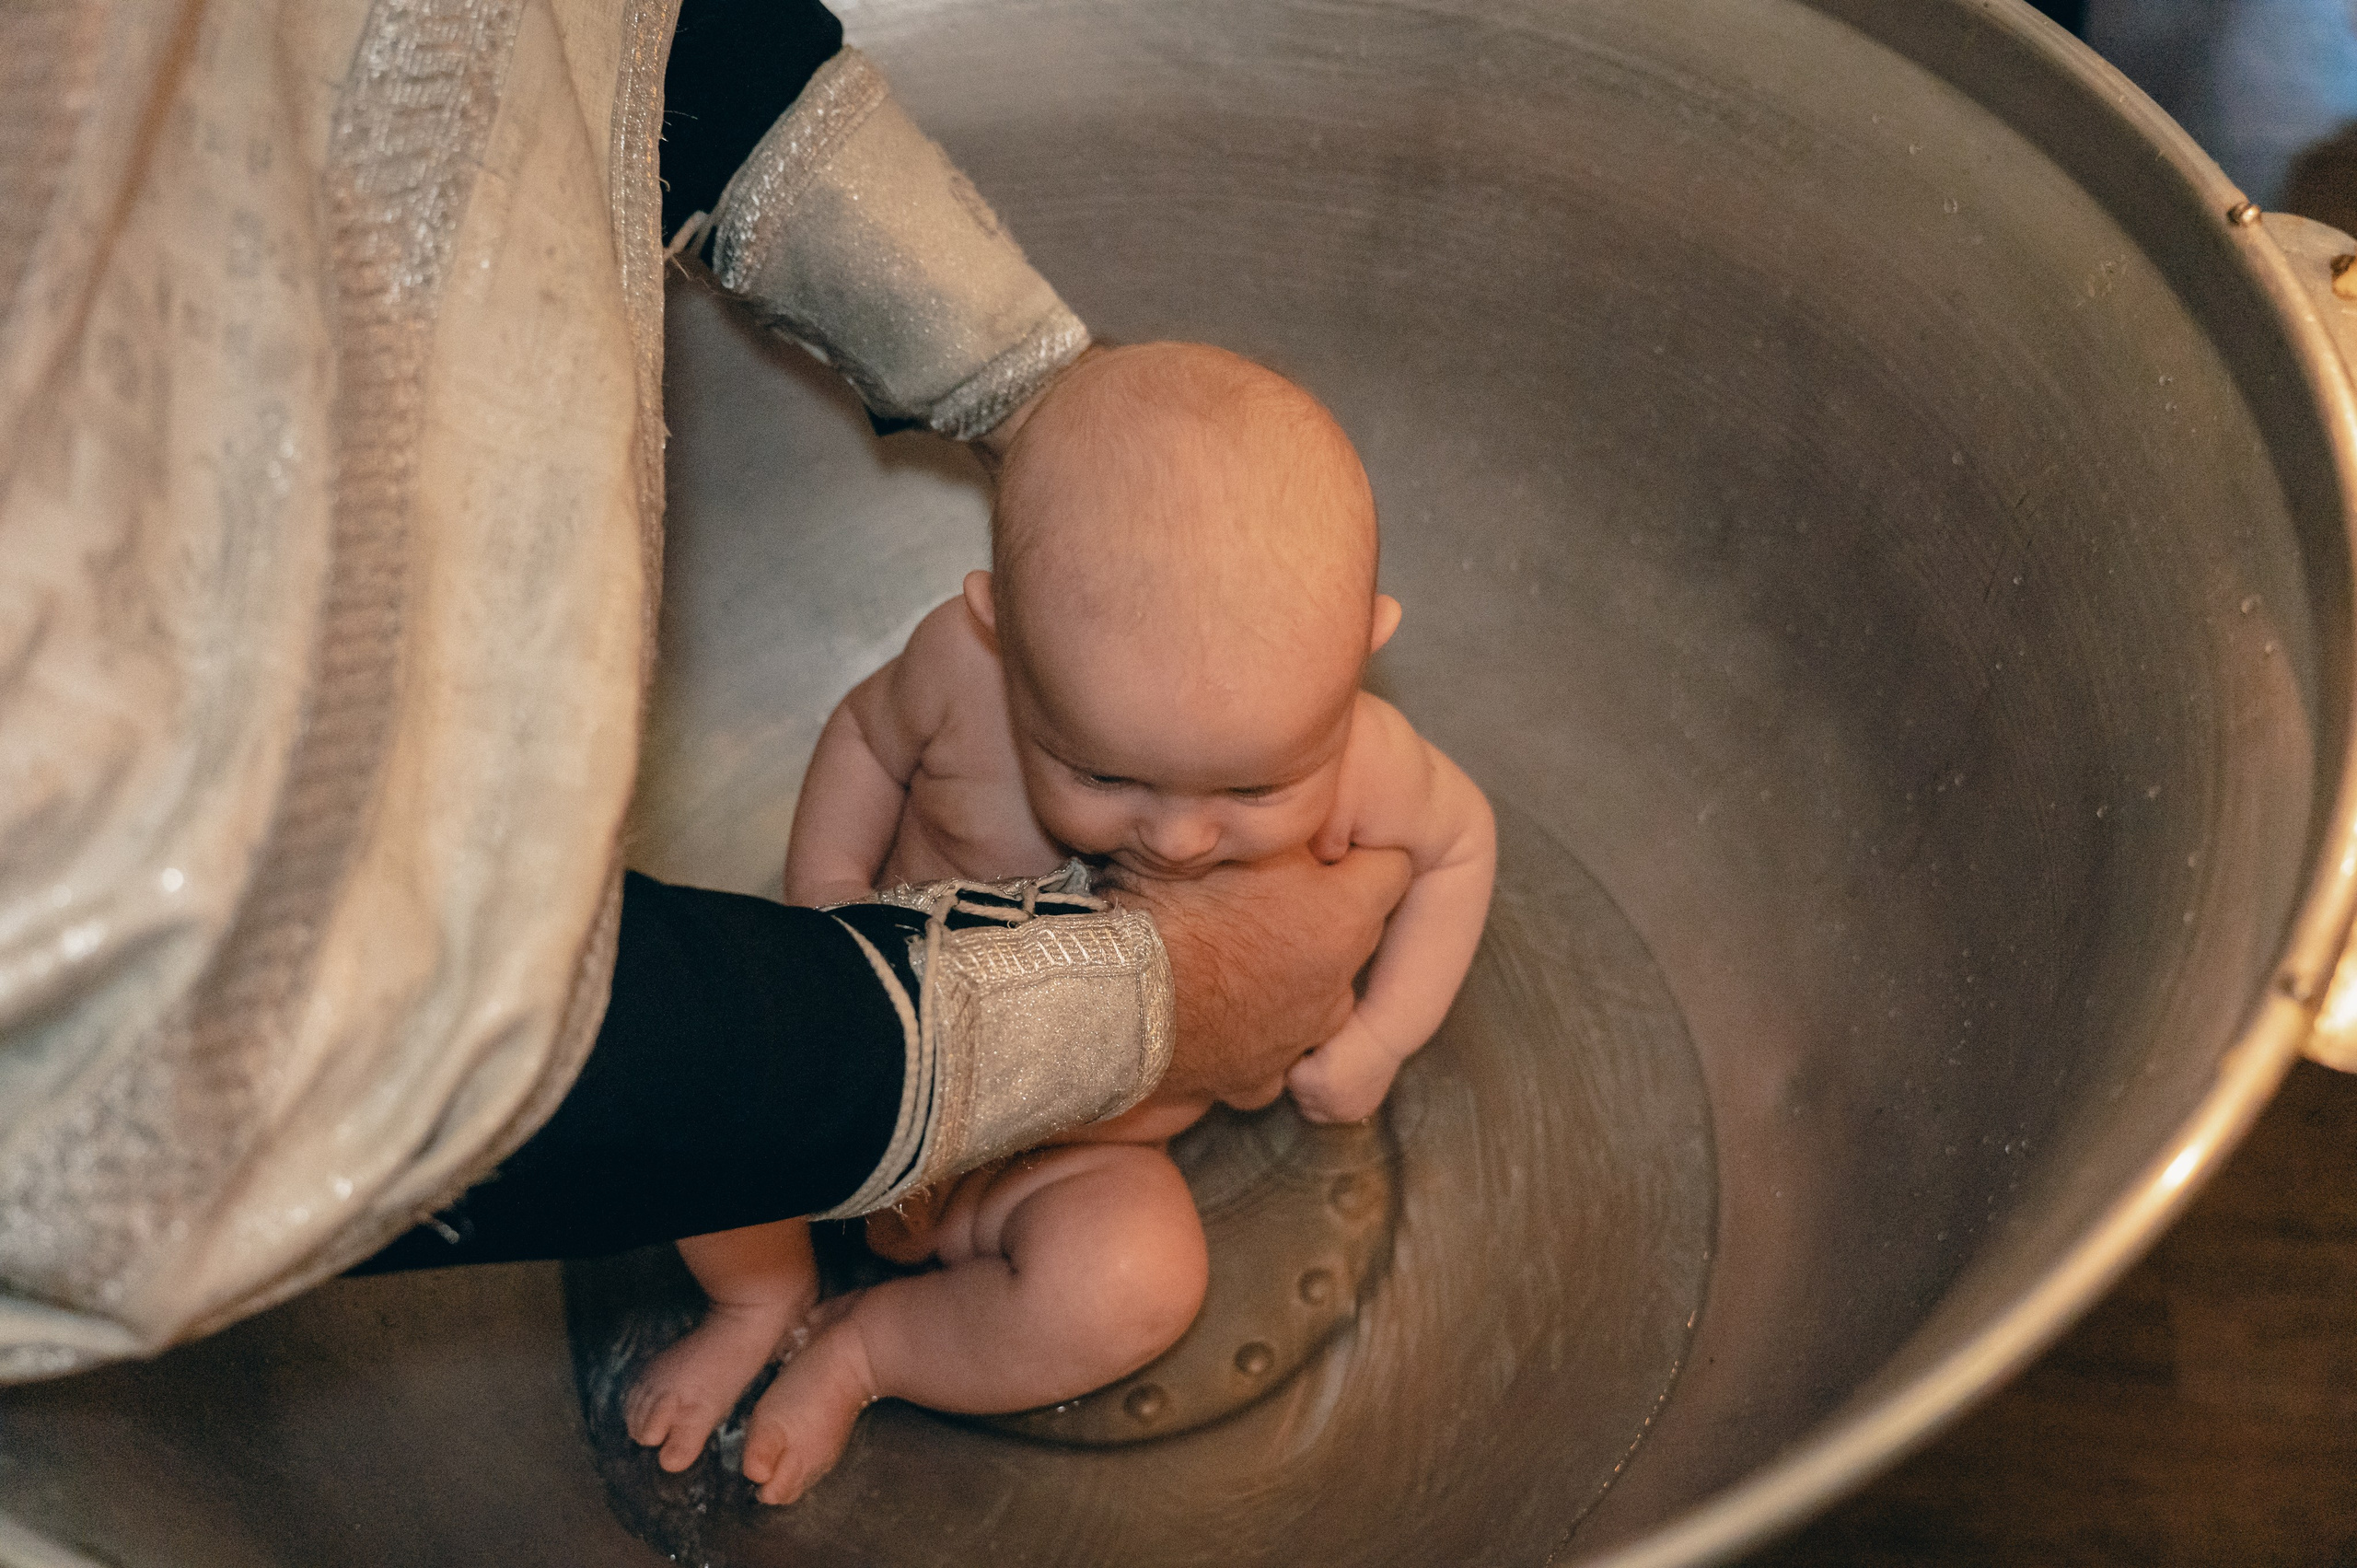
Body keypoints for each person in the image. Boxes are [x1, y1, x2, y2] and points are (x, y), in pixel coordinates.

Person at [625, 343, 1496, 1504]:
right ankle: (762, 1291)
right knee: (695, 1094)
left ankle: (871, 1347)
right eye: (1100, 774)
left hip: (1076, 1158)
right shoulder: (955, 674)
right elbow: (866, 741)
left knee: (1134, 1280)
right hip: (855, 1089)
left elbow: (1460, 843)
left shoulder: (1349, 752)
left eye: (1250, 793)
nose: (1180, 837)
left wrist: (1384, 1032)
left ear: (1357, 658)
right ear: (1003, 636)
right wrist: (826, 895)